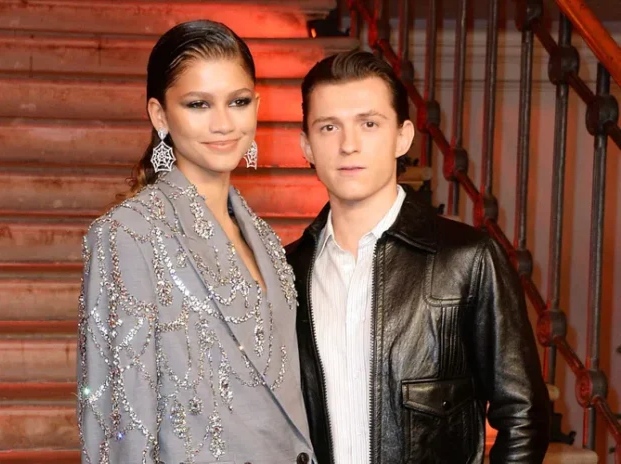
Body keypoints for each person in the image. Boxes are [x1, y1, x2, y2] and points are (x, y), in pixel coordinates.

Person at [286, 50, 550, 463]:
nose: (348, 145)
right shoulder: (286, 270)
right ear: (307, 146)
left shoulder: (467, 259)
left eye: (369, 124)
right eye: (329, 127)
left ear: (403, 137)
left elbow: (524, 415)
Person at [77, 20, 314, 464]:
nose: (223, 123)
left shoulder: (262, 236)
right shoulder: (129, 233)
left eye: (238, 101)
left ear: (257, 106)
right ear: (160, 115)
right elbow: (122, 423)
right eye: (198, 104)